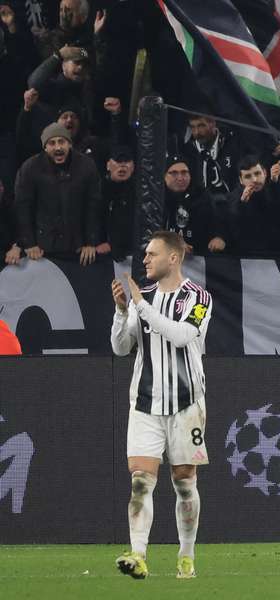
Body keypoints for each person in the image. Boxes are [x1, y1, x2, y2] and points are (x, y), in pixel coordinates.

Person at [110, 230, 213, 580]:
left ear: (173, 258)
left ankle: (186, 556)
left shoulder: (199, 298)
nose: (145, 260)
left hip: (187, 405)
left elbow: (183, 336)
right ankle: (138, 555)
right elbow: (122, 347)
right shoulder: (144, 298)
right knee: (141, 481)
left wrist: (140, 306)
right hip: (145, 404)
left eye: (152, 254)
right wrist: (122, 312)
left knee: (185, 483)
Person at [13, 122, 101, 265]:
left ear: (70, 144)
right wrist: (28, 243)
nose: (58, 147)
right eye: (52, 143)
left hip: (77, 248)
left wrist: (90, 241)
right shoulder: (30, 168)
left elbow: (93, 205)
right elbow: (23, 207)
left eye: (62, 141)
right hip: (42, 249)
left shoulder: (87, 166)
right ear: (45, 147)